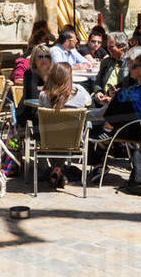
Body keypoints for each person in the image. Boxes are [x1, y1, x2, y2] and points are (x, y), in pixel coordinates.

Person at [38, 61, 91, 189]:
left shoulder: (44, 96)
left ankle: (55, 169)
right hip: (73, 140)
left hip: (49, 141)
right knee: (65, 135)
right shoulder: (80, 92)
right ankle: (58, 169)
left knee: (52, 134)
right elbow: (89, 101)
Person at [98, 53, 141, 140]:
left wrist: (121, 96)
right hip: (130, 125)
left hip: (140, 130)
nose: (130, 68)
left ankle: (106, 129)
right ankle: (106, 128)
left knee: (123, 101)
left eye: (134, 66)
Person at [16, 43, 53, 128]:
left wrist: (42, 89)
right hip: (29, 111)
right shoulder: (29, 74)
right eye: (40, 57)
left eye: (47, 57)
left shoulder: (54, 73)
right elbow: (33, 96)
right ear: (34, 60)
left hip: (48, 110)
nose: (44, 60)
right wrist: (49, 90)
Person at [91, 30, 130, 105]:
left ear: (122, 46)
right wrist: (98, 92)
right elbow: (97, 82)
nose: (108, 49)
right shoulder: (105, 62)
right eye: (108, 47)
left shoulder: (131, 63)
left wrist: (115, 97)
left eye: (111, 47)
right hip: (103, 101)